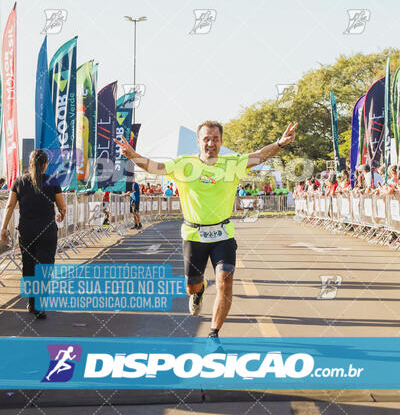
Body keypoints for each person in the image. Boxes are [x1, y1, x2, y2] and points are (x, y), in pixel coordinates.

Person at [115, 120, 297, 338]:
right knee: (192, 285)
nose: (211, 143)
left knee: (225, 278)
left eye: (215, 139)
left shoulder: (232, 163)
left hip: (223, 233)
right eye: (206, 139)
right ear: (198, 141)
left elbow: (259, 155)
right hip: (194, 234)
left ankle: (213, 333)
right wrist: (134, 155)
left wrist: (280, 143)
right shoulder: (184, 164)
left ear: (221, 141)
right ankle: (198, 292)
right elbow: (155, 167)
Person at [0, 149, 66, 319]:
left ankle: (31, 302)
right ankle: (39, 304)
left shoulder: (19, 181)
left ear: (29, 164)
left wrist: (4, 228)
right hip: (47, 233)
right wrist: (61, 213)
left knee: (28, 266)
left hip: (27, 232)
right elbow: (62, 206)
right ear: (45, 165)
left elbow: (9, 206)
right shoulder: (52, 181)